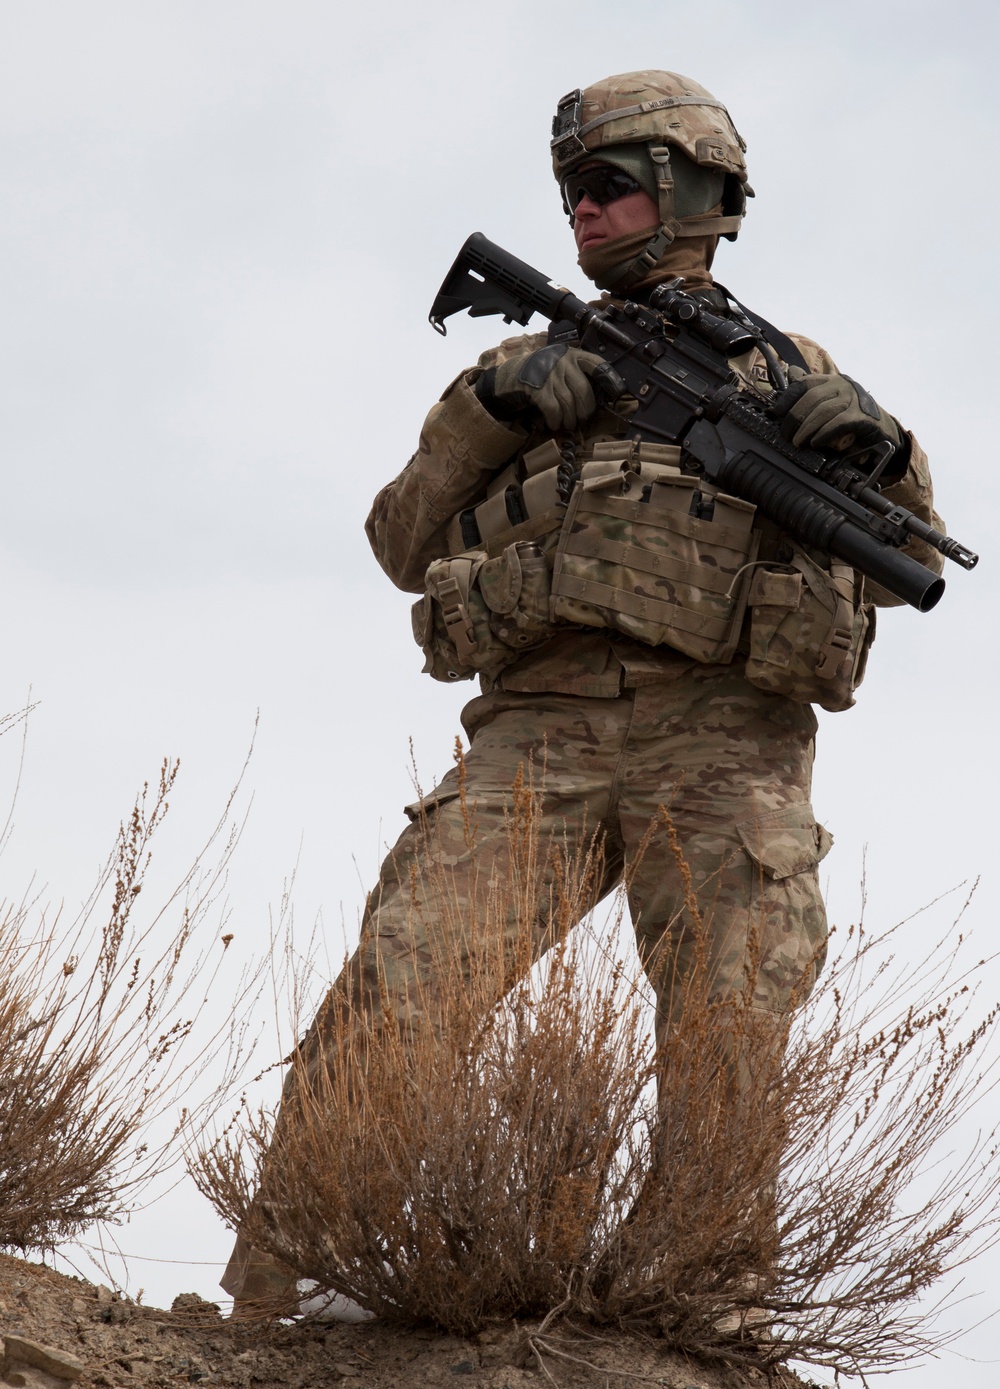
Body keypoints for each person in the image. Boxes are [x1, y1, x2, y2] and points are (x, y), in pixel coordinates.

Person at [221, 69, 942, 1316]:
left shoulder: (799, 377)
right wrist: (493, 418)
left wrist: (877, 444)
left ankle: (698, 1305)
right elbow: (402, 542)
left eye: (608, 186)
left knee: (731, 1012)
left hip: (727, 741)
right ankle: (283, 1292)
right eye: (570, 191)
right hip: (536, 734)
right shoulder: (527, 363)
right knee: (409, 974)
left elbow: (910, 564)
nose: (580, 213)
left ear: (693, 193)